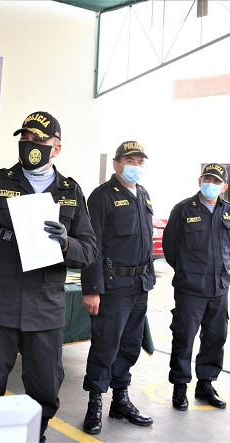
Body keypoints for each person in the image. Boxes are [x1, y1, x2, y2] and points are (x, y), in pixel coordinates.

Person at [0, 111, 97, 441]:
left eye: (38, 140)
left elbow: (90, 250)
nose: (29, 145)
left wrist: (66, 243)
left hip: (44, 305)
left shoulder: (70, 191)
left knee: (45, 389)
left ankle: (33, 435)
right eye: (24, 138)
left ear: (56, 148)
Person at [80, 141, 155, 435]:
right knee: (105, 346)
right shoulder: (101, 197)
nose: (135, 165)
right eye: (129, 160)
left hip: (139, 285)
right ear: (116, 164)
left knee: (130, 346)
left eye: (139, 161)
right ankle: (95, 403)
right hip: (112, 287)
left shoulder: (144, 195)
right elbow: (91, 246)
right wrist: (92, 289)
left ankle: (120, 400)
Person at [162, 163, 230, 411]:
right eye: (207, 178)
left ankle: (206, 385)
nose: (211, 184)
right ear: (199, 180)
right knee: (184, 339)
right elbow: (171, 249)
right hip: (191, 288)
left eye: (216, 181)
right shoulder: (183, 209)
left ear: (224, 186)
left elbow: (227, 246)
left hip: (220, 286)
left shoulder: (229, 211)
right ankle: (180, 388)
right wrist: (188, 273)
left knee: (216, 338)